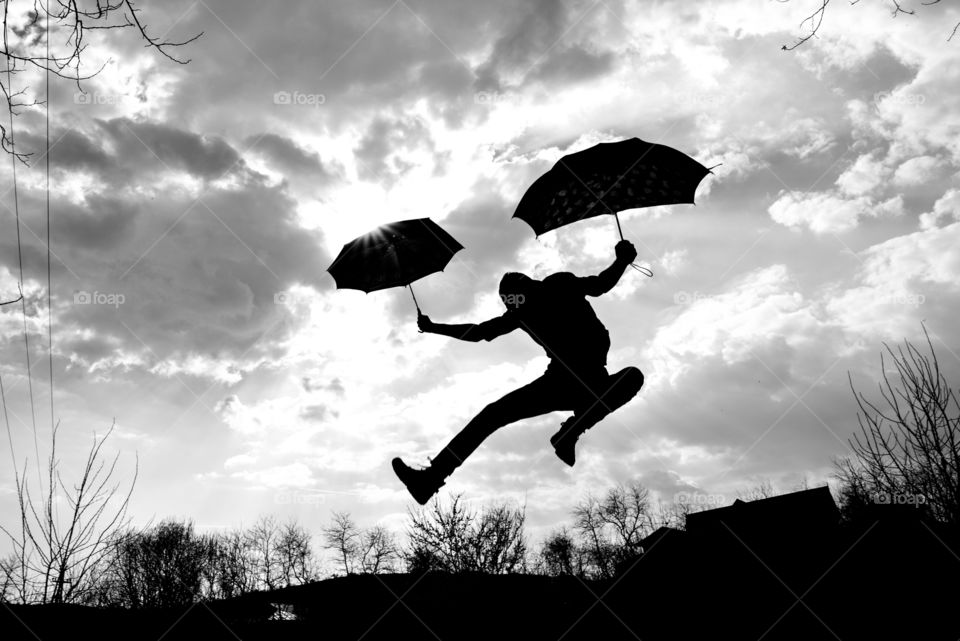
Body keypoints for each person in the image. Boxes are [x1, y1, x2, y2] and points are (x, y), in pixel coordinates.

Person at [392, 240, 645, 504]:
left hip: (587, 381)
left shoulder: (558, 285)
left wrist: (621, 261)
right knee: (492, 414)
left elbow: (599, 284)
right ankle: (430, 480)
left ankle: (570, 432)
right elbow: (480, 332)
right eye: (509, 304)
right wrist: (435, 328)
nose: (511, 307)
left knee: (632, 377)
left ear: (524, 289)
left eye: (511, 301)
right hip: (563, 383)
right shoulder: (523, 311)